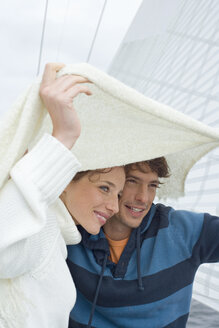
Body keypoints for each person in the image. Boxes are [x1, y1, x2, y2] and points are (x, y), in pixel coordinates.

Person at [0, 63, 125, 328]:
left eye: (118, 194)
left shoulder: (53, 235)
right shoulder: (40, 226)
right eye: (104, 187)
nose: (115, 206)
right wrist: (64, 135)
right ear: (64, 180)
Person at [67, 158, 219, 328]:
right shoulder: (72, 227)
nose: (143, 198)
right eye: (132, 181)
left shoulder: (183, 230)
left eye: (152, 185)